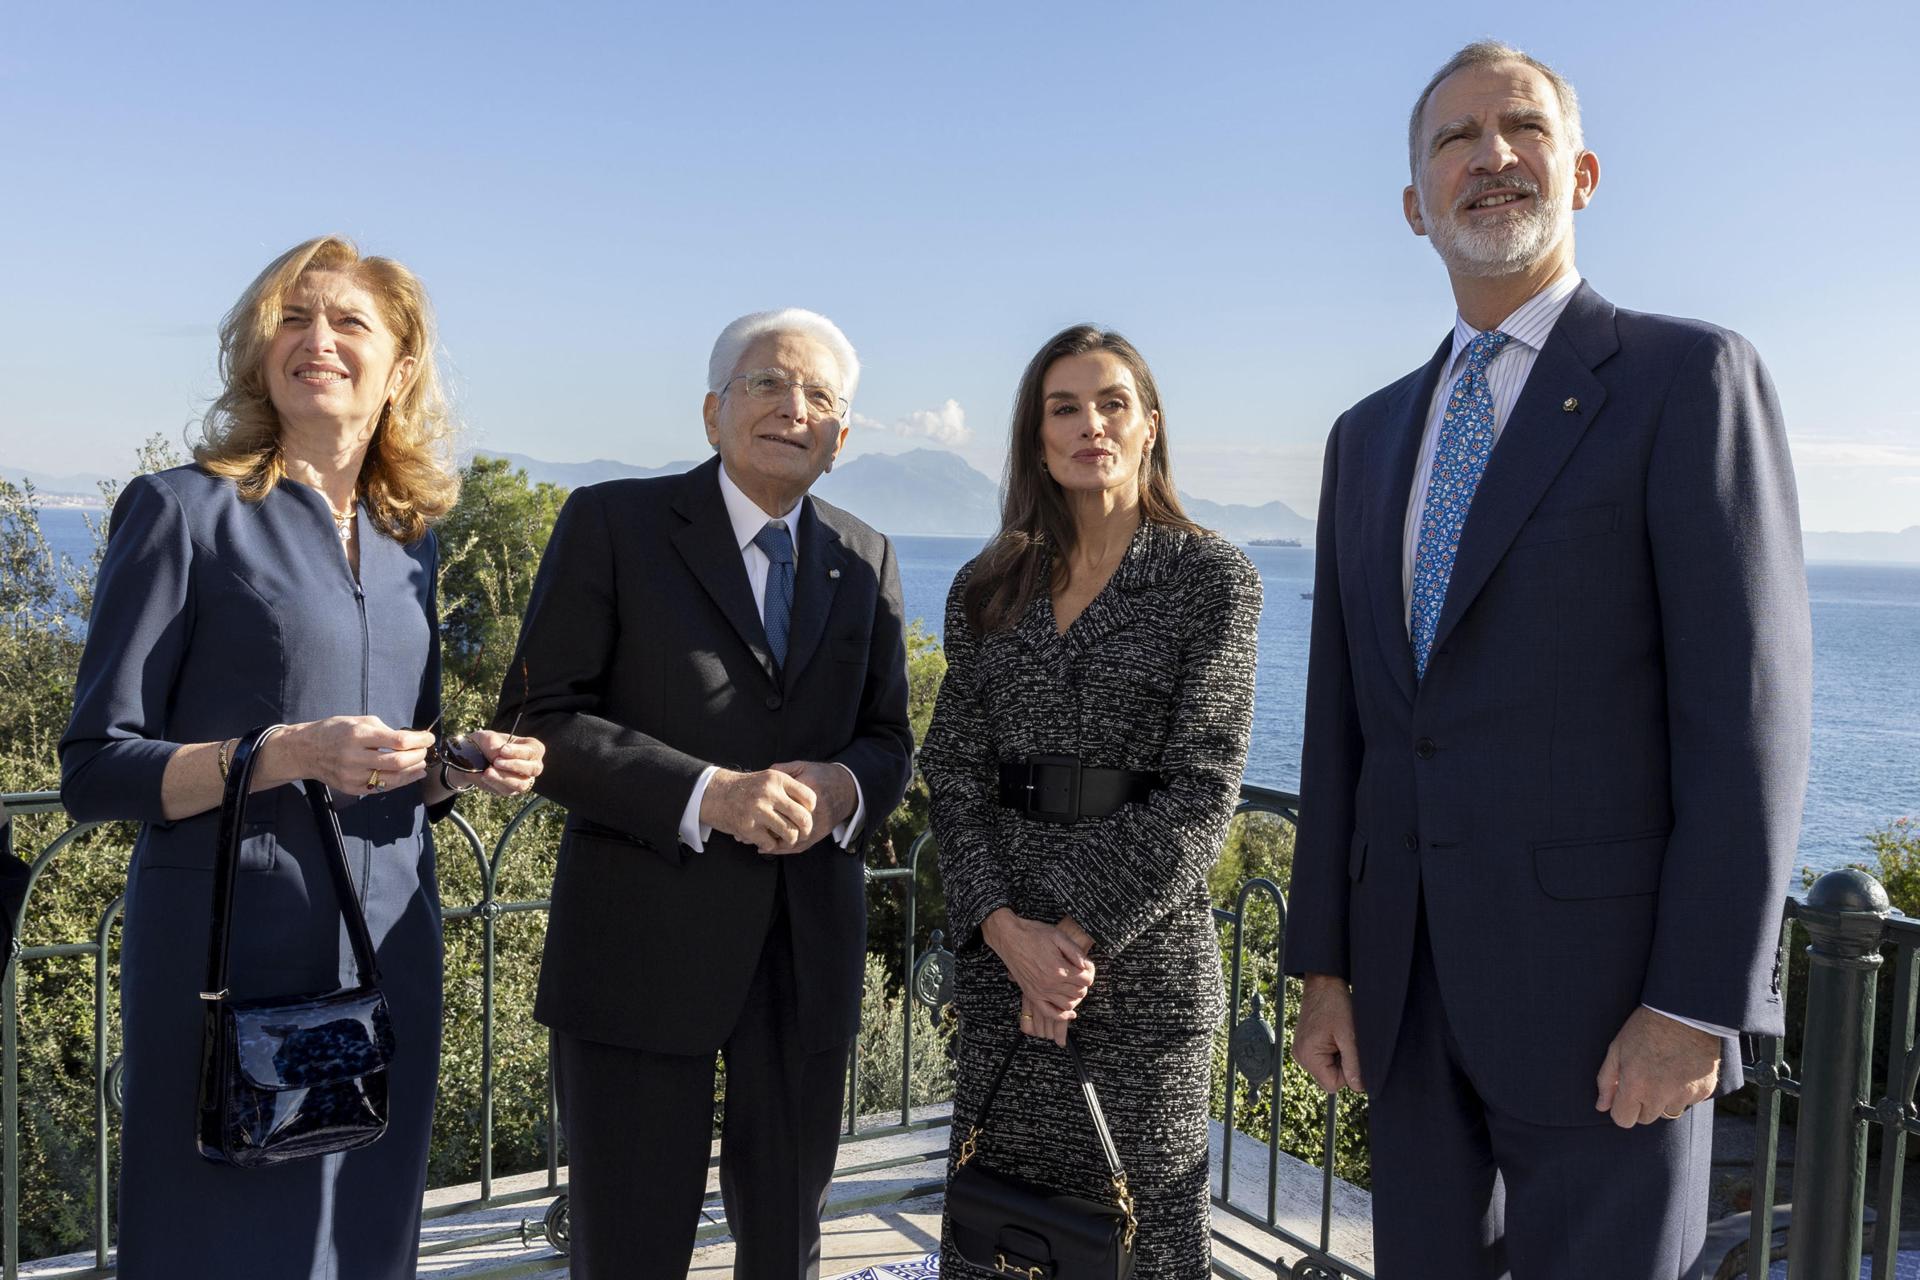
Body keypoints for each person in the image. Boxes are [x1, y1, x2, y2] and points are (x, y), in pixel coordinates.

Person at [1282, 41, 1811, 1279]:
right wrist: (1326, 964)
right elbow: (1344, 724)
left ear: (1579, 171)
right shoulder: (1364, 440)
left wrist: (1696, 1003)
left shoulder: (1688, 380)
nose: (1490, 157)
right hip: (1406, 1014)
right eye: (1454, 140)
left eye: (1519, 127)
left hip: (1611, 1017)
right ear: (1416, 203)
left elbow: (1748, 721)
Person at [59, 236, 544, 1280]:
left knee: (366, 1243)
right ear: (257, 351)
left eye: (348, 321)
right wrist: (281, 752)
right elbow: (96, 765)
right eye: (292, 317)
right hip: (229, 963)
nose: (316, 338)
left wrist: (455, 764)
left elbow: (390, 761)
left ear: (401, 370)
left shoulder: (408, 535)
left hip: (386, 955)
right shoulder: (182, 510)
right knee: (219, 1248)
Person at [500, 307, 914, 1279]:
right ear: (712, 411)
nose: (792, 406)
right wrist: (706, 793)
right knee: (630, 1250)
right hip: (639, 954)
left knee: (787, 1250)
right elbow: (536, 721)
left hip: (805, 961)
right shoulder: (611, 524)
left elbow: (889, 738)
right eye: (767, 382)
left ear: (841, 438)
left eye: (819, 395)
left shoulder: (869, 559)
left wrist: (845, 782)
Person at [920, 326, 1263, 1279]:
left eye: (1112, 402)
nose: (1090, 425)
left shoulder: (1212, 581)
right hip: (1002, 966)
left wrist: (1067, 939)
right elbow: (952, 769)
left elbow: (1204, 789)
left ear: (1150, 426)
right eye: (1063, 408)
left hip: (1142, 971)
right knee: (999, 1230)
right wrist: (1005, 931)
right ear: (1036, 440)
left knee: (1142, 1241)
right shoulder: (987, 586)